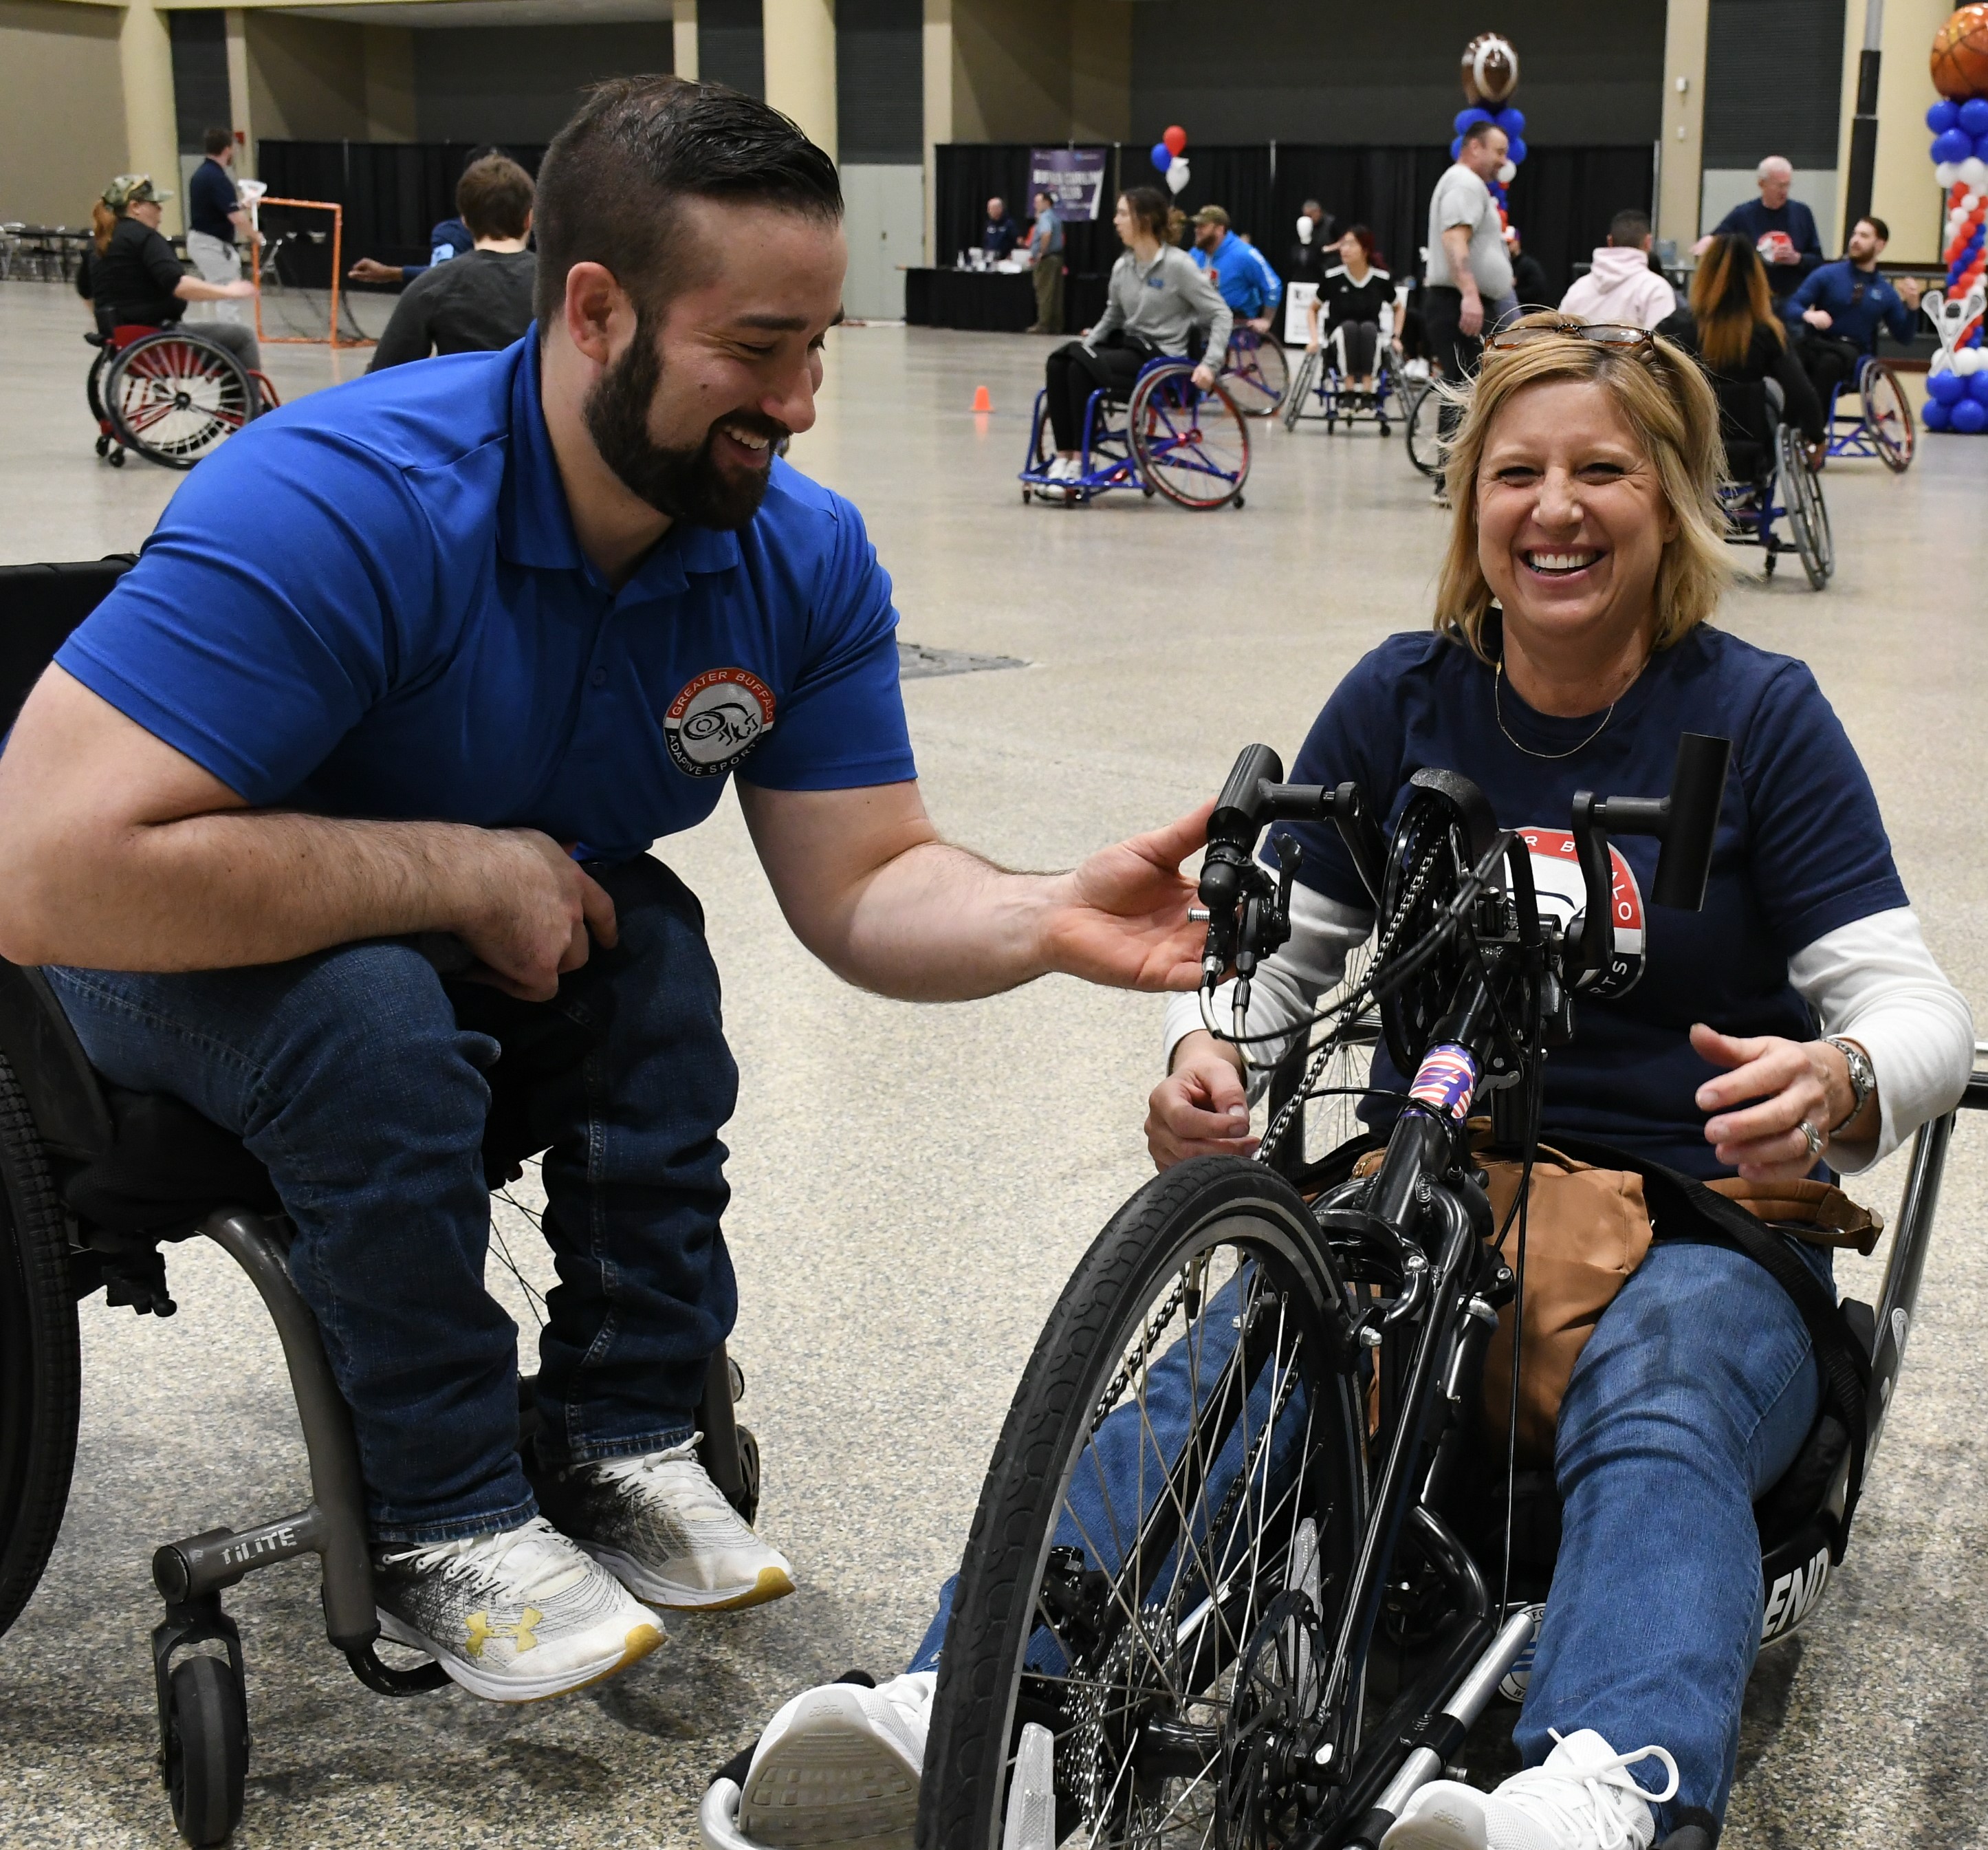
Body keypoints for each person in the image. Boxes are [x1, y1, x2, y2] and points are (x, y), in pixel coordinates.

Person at [0, 79, 1211, 1709]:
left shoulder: (794, 554)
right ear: (594, 310)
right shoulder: (341, 501)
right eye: (758, 347)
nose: (798, 401)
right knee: (364, 1003)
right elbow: (43, 870)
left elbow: (867, 879)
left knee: (650, 942)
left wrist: (1048, 914)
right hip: (141, 944)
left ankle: (626, 1424)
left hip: (443, 960)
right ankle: (439, 1511)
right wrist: (453, 866)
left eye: (820, 344)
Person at [717, 315, 1975, 1850]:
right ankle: (976, 1715)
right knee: (1221, 1375)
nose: (1552, 507)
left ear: (1672, 502)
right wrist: (1203, 1054)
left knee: (1660, 1403)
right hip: (1429, 1196)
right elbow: (1276, 970)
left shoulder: (1758, 719)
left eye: (1602, 471)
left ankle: (1597, 1792)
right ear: (1469, 509)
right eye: (1514, 472)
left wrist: (1839, 1077)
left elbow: (1918, 1014)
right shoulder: (1400, 701)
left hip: (1700, 1218)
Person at [1037, 186, 1229, 494]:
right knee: (1060, 361)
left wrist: (1211, 364)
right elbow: (1112, 317)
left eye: (1123, 214)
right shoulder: (1122, 266)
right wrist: (1086, 346)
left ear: (1145, 219)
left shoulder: (1179, 266)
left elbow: (1221, 313)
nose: (1116, 221)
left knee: (1079, 368)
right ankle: (1064, 456)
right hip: (1131, 349)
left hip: (1161, 360)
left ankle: (1080, 462)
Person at [1659, 233, 1824, 479]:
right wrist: (1817, 438)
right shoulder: (1767, 332)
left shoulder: (1675, 326)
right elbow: (1801, 391)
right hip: (1751, 455)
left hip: (1688, 455)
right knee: (1772, 393)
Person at [77, 173, 263, 393]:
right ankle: (253, 408)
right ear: (135, 206)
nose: (160, 209)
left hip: (123, 342)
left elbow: (86, 291)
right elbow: (180, 286)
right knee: (242, 337)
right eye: (155, 204)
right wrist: (229, 291)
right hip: (159, 340)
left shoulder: (98, 242)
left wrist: (105, 322)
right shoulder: (145, 238)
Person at [1423, 118, 1519, 501]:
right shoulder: (1463, 183)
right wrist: (1470, 294)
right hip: (1457, 302)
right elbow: (1454, 239)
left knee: (1469, 388)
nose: (1503, 161)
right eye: (1498, 151)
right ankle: (1450, 483)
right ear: (1474, 147)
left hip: (1469, 300)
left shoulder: (1471, 185)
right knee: (1464, 389)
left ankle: (1456, 480)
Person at [368, 154, 538, 371]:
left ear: (465, 221)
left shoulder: (432, 286)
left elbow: (384, 373)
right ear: (529, 218)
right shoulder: (559, 284)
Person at [1782, 214, 1925, 409]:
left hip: (1852, 353)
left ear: (1880, 245)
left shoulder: (1885, 291)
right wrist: (1808, 314)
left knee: (1828, 363)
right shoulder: (1827, 275)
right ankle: (1785, 423)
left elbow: (1904, 337)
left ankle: (1814, 429)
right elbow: (1792, 306)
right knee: (1792, 356)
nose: (1856, 240)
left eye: (1864, 236)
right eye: (1855, 234)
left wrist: (1913, 306)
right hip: (1818, 342)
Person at [349, 146, 507, 287]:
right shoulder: (450, 233)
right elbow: (444, 275)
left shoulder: (525, 232)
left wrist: (391, 273)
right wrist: (390, 273)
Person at [1694, 156, 1822, 301]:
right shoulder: (1743, 215)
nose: (1784, 191)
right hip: (1754, 299)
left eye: (1788, 185)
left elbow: (1817, 260)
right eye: (1780, 186)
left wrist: (1797, 259)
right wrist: (1708, 241)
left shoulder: (1802, 213)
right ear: (1762, 184)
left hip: (1791, 299)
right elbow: (1719, 237)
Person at [1307, 223, 1393, 392]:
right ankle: (1349, 389)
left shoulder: (1380, 279)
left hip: (1371, 336)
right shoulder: (1333, 278)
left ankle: (1369, 389)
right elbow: (1312, 309)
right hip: (1338, 336)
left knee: (1369, 328)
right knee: (1349, 327)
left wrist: (1396, 336)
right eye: (1343, 244)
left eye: (1351, 244)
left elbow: (1399, 308)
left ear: (1365, 249)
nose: (1345, 249)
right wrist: (1315, 339)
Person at [1559, 210, 1679, 331]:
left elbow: (1559, 334)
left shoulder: (1578, 288)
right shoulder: (1656, 289)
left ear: (1610, 241)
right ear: (1648, 242)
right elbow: (1662, 343)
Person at [184, 128, 254, 329]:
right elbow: (236, 218)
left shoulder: (203, 175)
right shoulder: (217, 178)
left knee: (225, 289)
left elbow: (222, 208)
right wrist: (256, 236)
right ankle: (231, 338)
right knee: (228, 291)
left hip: (204, 240)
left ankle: (228, 333)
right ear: (228, 149)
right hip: (210, 243)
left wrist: (241, 205)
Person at [1190, 204, 1280, 334]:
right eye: (1196, 226)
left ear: (1219, 230)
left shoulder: (1245, 254)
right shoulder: (1195, 254)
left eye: (1202, 226)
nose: (1197, 230)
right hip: (1200, 319)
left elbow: (1273, 286)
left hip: (1234, 322)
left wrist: (1266, 320)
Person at [1025, 187, 1062, 334]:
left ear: (1047, 202)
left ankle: (1043, 325)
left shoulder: (1046, 217)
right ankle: (1056, 325)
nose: (1035, 205)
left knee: (1044, 293)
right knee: (1056, 294)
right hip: (1057, 258)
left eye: (1038, 202)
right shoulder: (1055, 216)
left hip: (1047, 259)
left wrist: (1041, 252)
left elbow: (1046, 234)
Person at [1505, 224, 1553, 309]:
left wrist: (1511, 295)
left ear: (1517, 242)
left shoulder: (1528, 265)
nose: (1506, 247)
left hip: (1527, 311)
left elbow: (1539, 289)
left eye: (1509, 243)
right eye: (1504, 243)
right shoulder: (1506, 263)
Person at [981, 195, 1018, 259]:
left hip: (1004, 260)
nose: (989, 211)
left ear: (999, 209)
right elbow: (986, 241)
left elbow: (1014, 241)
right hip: (990, 258)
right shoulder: (989, 224)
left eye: (991, 209)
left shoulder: (1009, 224)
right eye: (989, 209)